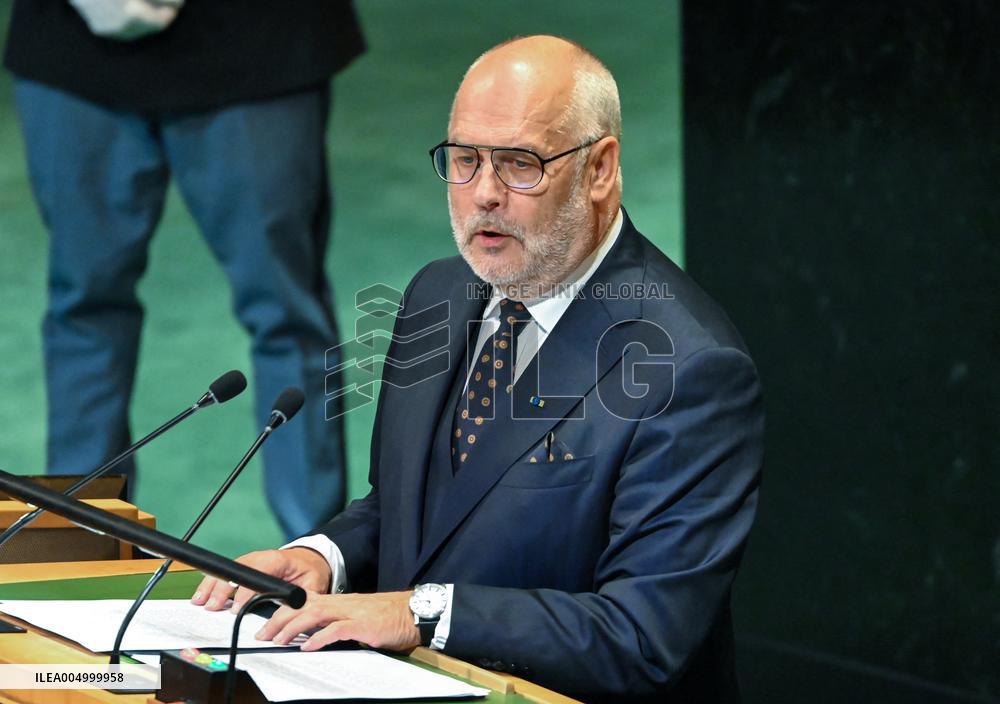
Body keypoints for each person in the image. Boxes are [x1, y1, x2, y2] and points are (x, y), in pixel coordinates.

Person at [193, 35, 765, 701]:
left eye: (520, 164)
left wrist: (422, 613)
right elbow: (409, 509)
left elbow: (639, 637)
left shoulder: (688, 369)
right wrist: (326, 556)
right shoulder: (437, 293)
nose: (483, 194)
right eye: (465, 160)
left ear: (601, 169)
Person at [3, 0, 365, 538]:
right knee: (84, 305)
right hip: (72, 48)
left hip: (258, 45)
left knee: (286, 312)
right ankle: (79, 549)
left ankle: (319, 563)